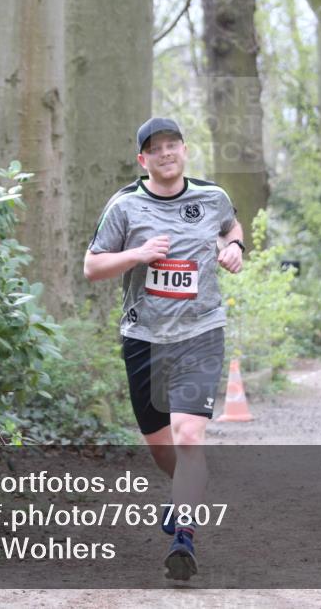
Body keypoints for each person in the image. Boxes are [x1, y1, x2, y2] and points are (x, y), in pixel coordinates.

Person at [83, 117, 244, 581]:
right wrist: (138, 255)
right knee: (163, 450)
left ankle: (184, 535)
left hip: (201, 332)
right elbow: (92, 267)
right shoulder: (125, 206)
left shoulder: (212, 197)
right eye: (156, 149)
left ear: (184, 151)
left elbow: (232, 229)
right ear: (143, 159)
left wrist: (236, 248)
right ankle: (186, 489)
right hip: (144, 339)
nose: (166, 153)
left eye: (173, 145)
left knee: (189, 435)